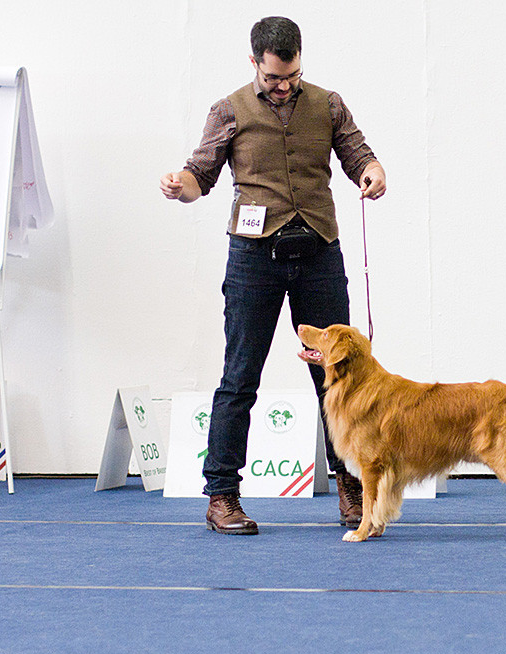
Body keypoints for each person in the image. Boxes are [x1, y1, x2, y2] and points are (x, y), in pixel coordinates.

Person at [160, 16, 386, 535]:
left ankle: (353, 487)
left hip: (319, 253)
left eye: (292, 75)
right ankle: (221, 495)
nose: (283, 86)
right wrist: (181, 186)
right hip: (253, 259)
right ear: (254, 62)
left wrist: (372, 173)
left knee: (340, 379)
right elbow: (202, 175)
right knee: (240, 377)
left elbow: (357, 153)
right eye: (273, 78)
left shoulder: (328, 103)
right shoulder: (229, 110)